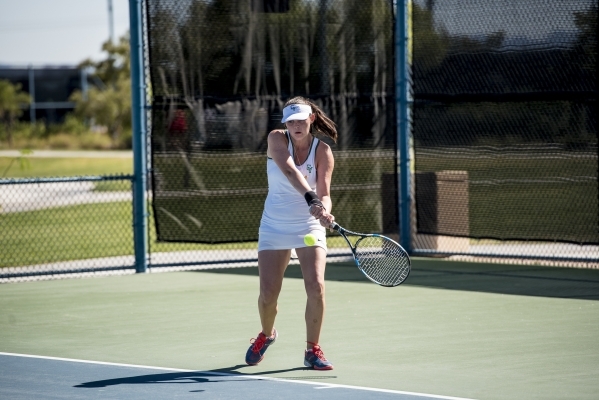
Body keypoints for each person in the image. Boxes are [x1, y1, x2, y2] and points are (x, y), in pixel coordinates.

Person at [245, 97, 338, 370]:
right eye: (291, 121)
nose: (296, 125)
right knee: (268, 294)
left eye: (301, 119)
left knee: (316, 287)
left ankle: (313, 350)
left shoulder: (323, 151)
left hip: (308, 226)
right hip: (274, 224)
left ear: (311, 119)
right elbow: (288, 170)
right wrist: (312, 200)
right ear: (285, 123)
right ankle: (266, 334)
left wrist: (325, 210)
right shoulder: (276, 138)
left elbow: (325, 193)